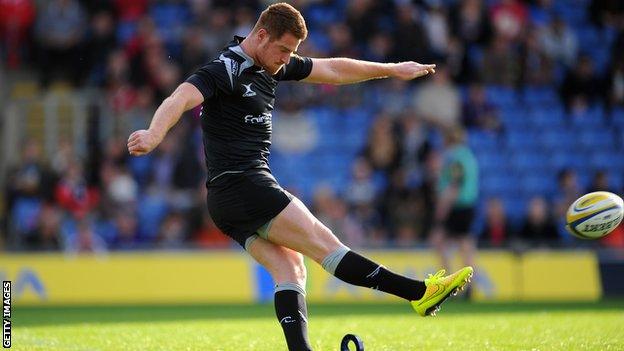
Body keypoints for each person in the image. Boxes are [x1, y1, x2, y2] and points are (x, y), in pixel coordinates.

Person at [127, 4, 473, 350]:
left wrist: (392, 69)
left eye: (291, 52)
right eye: (283, 50)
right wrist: (155, 133)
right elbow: (180, 97)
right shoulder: (225, 69)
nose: (286, 59)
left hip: (226, 201)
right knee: (327, 246)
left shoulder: (271, 64)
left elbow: (334, 69)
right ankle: (419, 293)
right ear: (261, 35)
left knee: (291, 270)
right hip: (245, 185)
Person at [430, 127, 478, 279]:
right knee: (464, 242)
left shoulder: (455, 157)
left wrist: (442, 208)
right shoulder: (468, 155)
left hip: (457, 207)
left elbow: (454, 185)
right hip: (467, 205)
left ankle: (451, 280)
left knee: (443, 240)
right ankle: (466, 280)